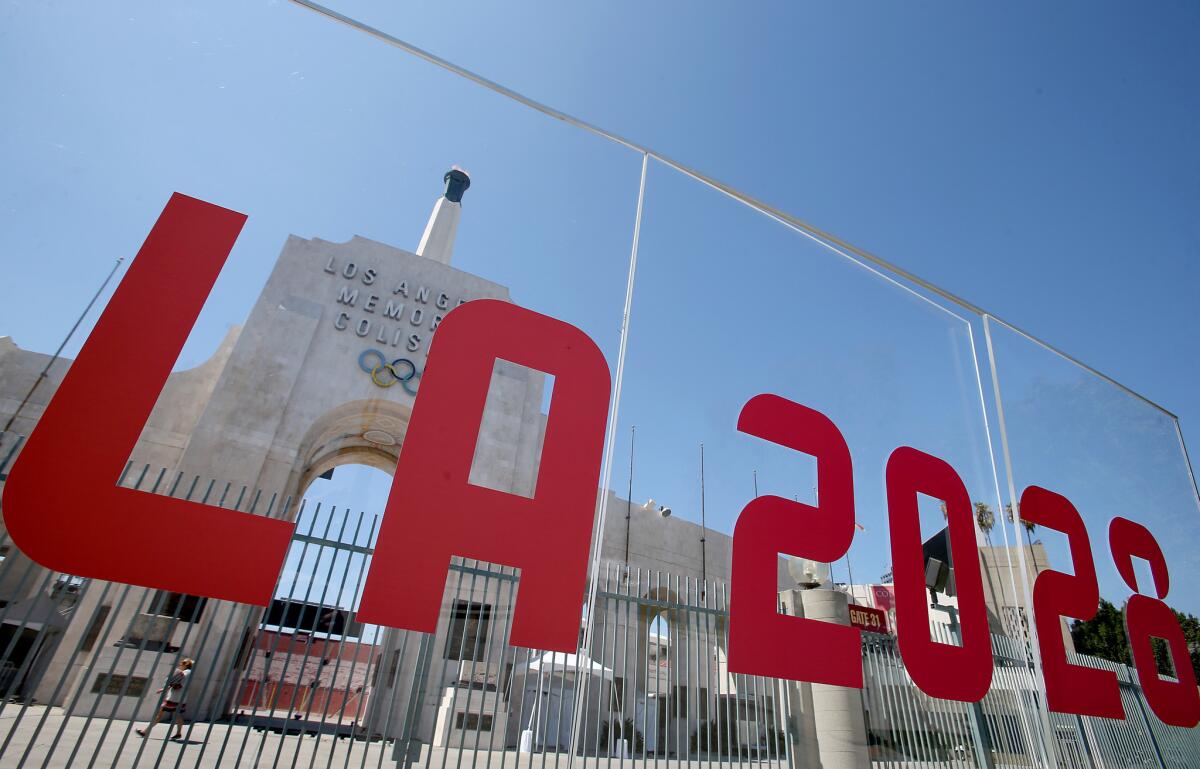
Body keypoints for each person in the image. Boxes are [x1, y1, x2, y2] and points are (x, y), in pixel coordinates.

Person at [137, 658, 194, 740]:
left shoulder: (185, 673)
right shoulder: (188, 673)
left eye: (182, 664)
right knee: (177, 715)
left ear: (185, 664)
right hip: (179, 698)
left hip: (174, 698)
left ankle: (144, 731)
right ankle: (178, 733)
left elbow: (177, 683)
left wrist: (165, 688)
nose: (180, 665)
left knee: (160, 715)